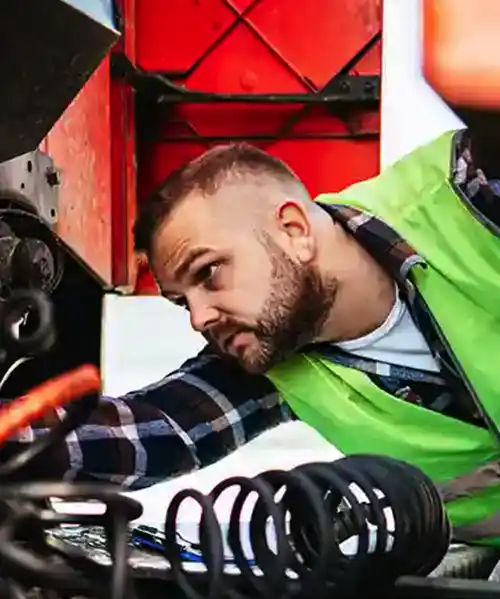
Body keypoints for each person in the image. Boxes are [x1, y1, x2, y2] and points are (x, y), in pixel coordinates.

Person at [4, 127, 500, 540]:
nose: (199, 318)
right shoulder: (273, 358)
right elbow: (153, 432)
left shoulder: (465, 192)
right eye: (182, 303)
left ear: (294, 230)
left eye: (209, 273)